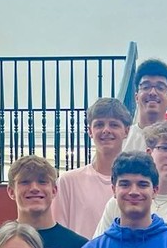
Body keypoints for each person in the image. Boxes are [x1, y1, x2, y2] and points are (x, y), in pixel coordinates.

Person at [52, 97, 132, 238]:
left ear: (126, 131)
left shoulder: (136, 185)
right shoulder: (68, 181)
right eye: (99, 125)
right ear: (90, 131)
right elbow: (59, 234)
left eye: (114, 125)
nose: (106, 130)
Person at [123, 59, 167, 152]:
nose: (152, 93)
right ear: (136, 97)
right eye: (146, 87)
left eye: (160, 88)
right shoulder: (122, 139)